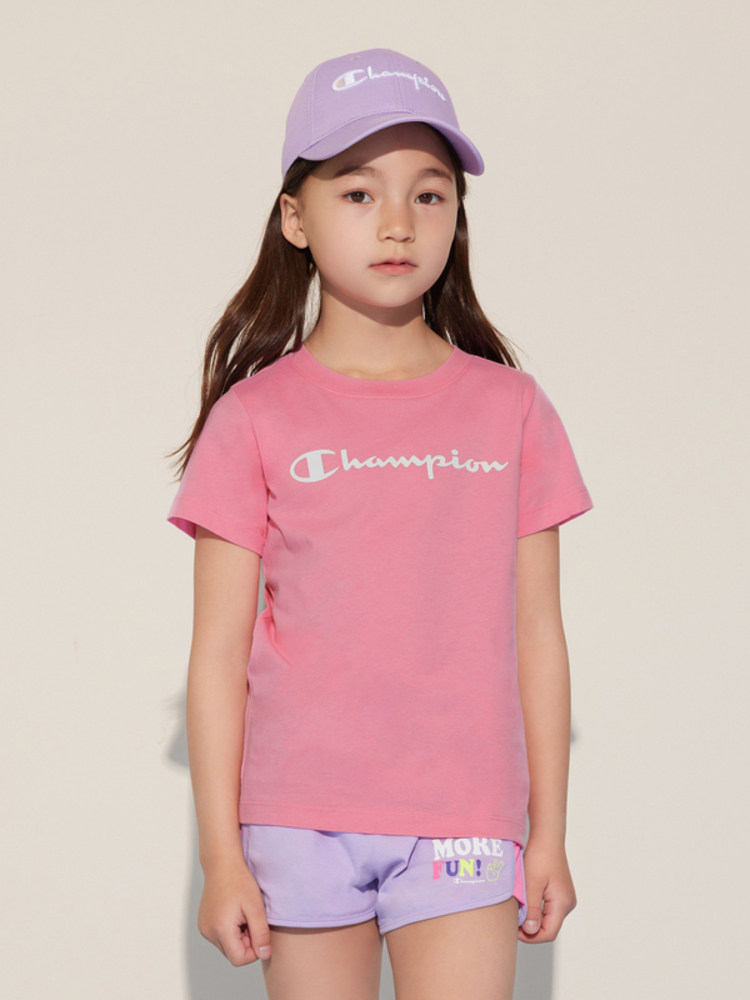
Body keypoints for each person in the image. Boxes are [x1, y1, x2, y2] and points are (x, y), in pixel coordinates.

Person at [168, 48, 592, 1000]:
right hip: (297, 820)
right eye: (359, 193)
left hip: (464, 817)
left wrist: (549, 834)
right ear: (296, 218)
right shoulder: (254, 417)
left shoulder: (512, 410)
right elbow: (218, 655)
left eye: (428, 195)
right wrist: (220, 857)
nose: (398, 222)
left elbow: (538, 633)